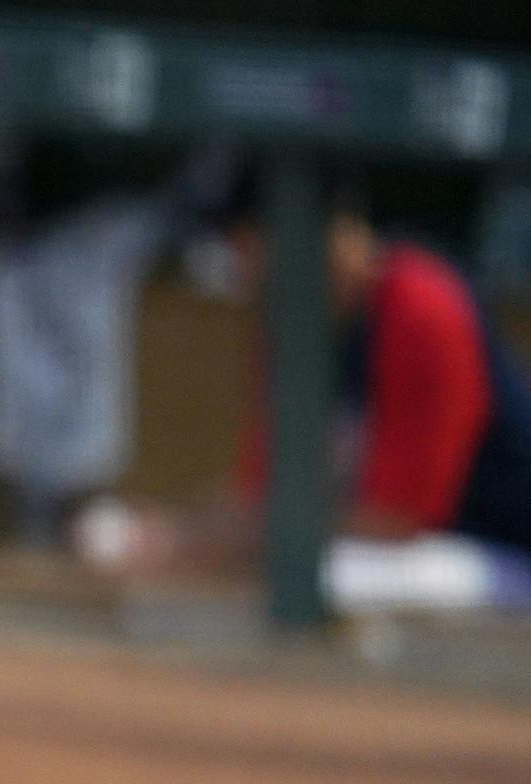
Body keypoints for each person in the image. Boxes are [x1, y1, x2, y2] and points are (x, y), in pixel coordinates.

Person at [77, 173, 531, 610]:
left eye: (253, 254)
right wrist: (170, 532)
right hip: (415, 557)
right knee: (297, 569)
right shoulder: (297, 321)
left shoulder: (422, 305)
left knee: (320, 575)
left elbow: (399, 523)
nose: (249, 277)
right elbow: (262, 491)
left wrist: (203, 542)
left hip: (500, 551)